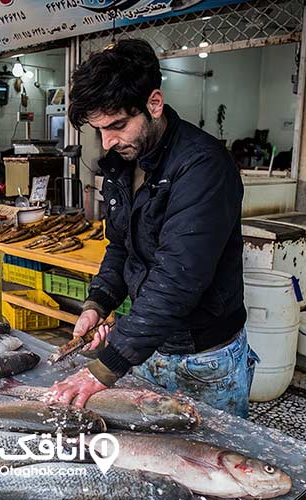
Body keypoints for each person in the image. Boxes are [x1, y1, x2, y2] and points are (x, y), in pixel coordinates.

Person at [45, 40, 258, 418]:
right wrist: (99, 302)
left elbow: (177, 277)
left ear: (154, 104)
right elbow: (121, 245)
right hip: (149, 347)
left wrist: (107, 366)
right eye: (99, 130)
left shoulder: (203, 167)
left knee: (212, 466)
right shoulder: (125, 161)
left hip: (204, 360)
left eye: (118, 126)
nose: (108, 142)